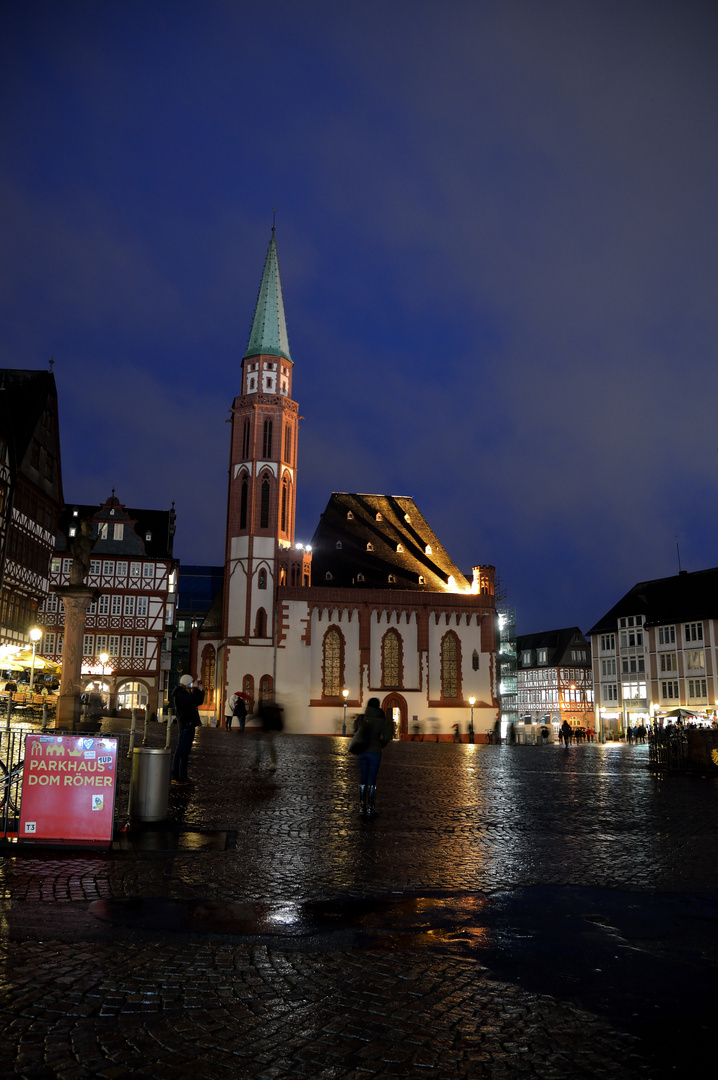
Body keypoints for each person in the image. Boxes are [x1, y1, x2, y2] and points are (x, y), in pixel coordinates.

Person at [354, 697, 393, 818]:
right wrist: (380, 744)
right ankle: (370, 808)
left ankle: (361, 807)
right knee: (372, 779)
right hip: (375, 752)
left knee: (363, 778)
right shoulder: (380, 719)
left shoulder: (361, 718)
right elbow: (387, 736)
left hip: (362, 751)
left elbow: (355, 730)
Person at [171, 675, 204, 785]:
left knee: (185, 752)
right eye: (191, 683)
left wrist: (201, 691)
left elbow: (198, 702)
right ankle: (175, 776)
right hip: (185, 725)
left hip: (190, 724)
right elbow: (191, 701)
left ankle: (183, 775)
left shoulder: (186, 692)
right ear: (186, 683)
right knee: (180, 750)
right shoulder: (180, 693)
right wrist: (195, 689)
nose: (192, 685)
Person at [253, 695, 283, 771]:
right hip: (272, 729)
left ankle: (260, 763)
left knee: (265, 746)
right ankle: (271, 763)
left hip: (268, 729)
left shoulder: (264, 707)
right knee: (268, 745)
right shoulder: (274, 707)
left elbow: (259, 716)